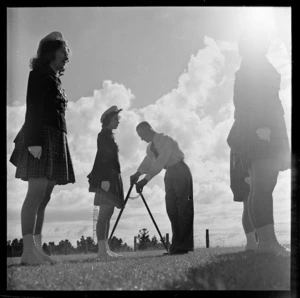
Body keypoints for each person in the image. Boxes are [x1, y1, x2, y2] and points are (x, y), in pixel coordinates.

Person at [9, 32, 75, 265]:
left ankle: (36, 248)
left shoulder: (55, 79)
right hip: (41, 136)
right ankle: (27, 252)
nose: (67, 56)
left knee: (45, 196)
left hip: (56, 136)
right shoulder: (38, 74)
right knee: (35, 193)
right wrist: (35, 141)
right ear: (51, 51)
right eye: (64, 51)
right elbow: (33, 107)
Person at [227, 28, 291, 255]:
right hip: (261, 131)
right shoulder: (250, 67)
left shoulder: (258, 63)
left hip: (269, 128)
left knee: (265, 186)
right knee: (262, 186)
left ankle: (266, 242)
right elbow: (248, 102)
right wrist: (260, 127)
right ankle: (267, 242)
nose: (266, 42)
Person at [130, 121, 194, 255]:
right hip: (169, 172)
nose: (141, 138)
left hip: (180, 169)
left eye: (141, 134)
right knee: (171, 209)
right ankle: (175, 246)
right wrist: (137, 173)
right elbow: (148, 161)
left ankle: (183, 246)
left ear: (148, 129)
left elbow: (161, 161)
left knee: (183, 207)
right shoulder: (150, 148)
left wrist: (145, 180)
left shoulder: (164, 139)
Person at [87, 106, 124, 258]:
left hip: (112, 178)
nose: (118, 122)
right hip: (106, 179)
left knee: (108, 214)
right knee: (103, 215)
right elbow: (103, 158)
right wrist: (104, 180)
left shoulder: (109, 135)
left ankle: (105, 249)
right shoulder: (103, 135)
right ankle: (102, 250)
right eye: (116, 119)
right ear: (108, 120)